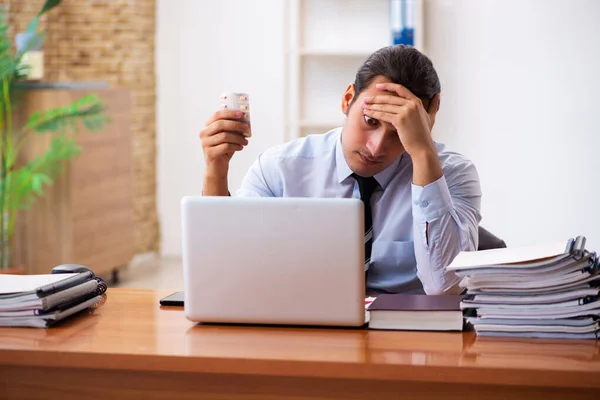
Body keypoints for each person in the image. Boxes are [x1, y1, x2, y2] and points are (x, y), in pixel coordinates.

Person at [199, 44, 482, 295]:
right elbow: (227, 268)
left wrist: (422, 153)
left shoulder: (453, 174)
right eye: (370, 121)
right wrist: (216, 168)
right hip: (305, 327)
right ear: (348, 99)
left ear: (430, 115)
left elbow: (443, 286)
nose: (375, 147)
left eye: (399, 131)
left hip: (408, 338)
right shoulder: (279, 168)